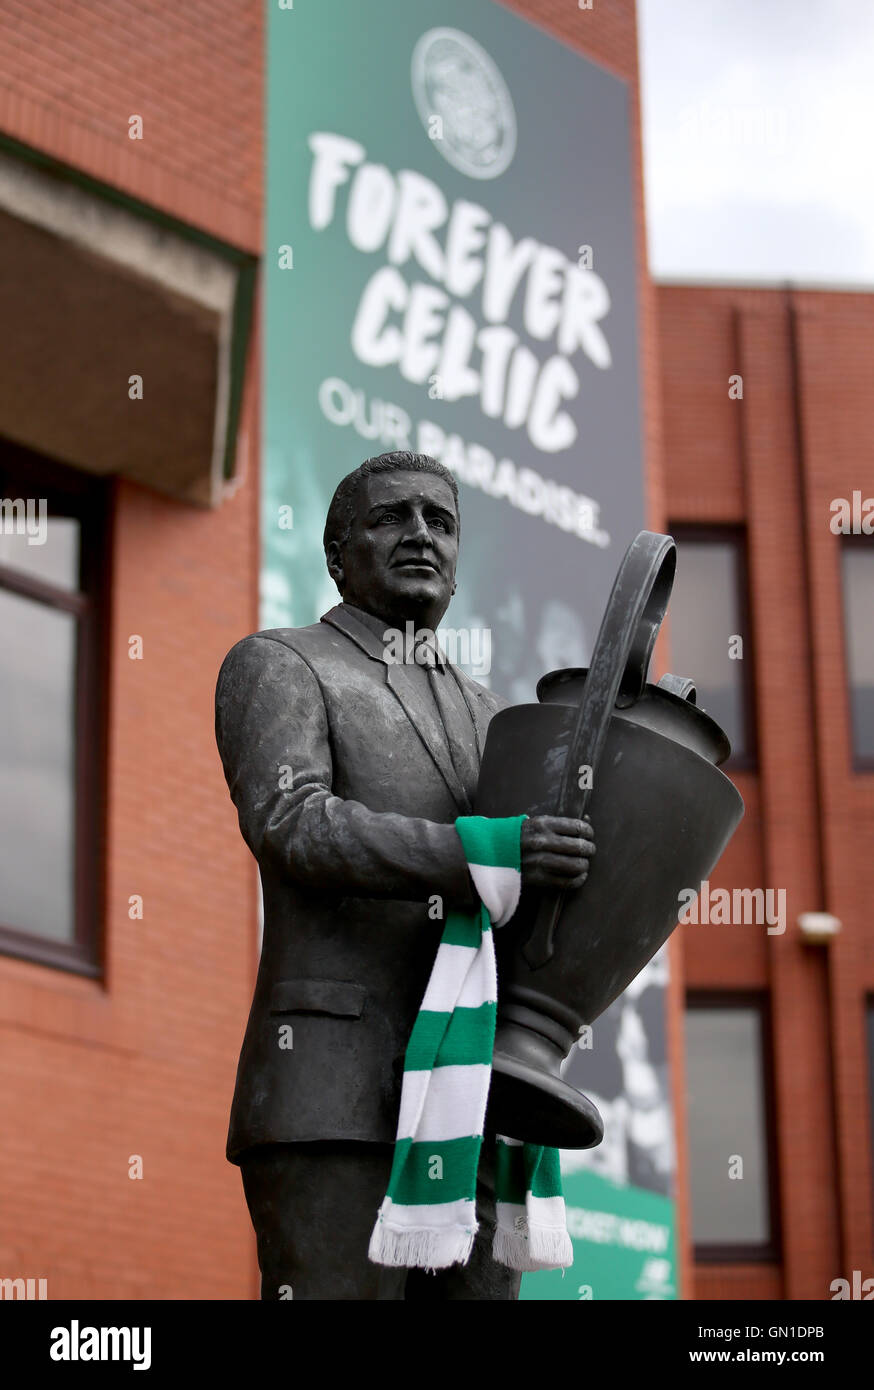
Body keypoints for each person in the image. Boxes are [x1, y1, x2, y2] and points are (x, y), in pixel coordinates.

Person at [214, 450, 595, 1299]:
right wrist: (486, 857)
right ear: (338, 554)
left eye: (441, 520)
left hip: (480, 1105)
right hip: (334, 1095)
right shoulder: (281, 663)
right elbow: (293, 823)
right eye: (392, 517)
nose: (421, 534)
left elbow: (538, 897)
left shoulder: (501, 717)